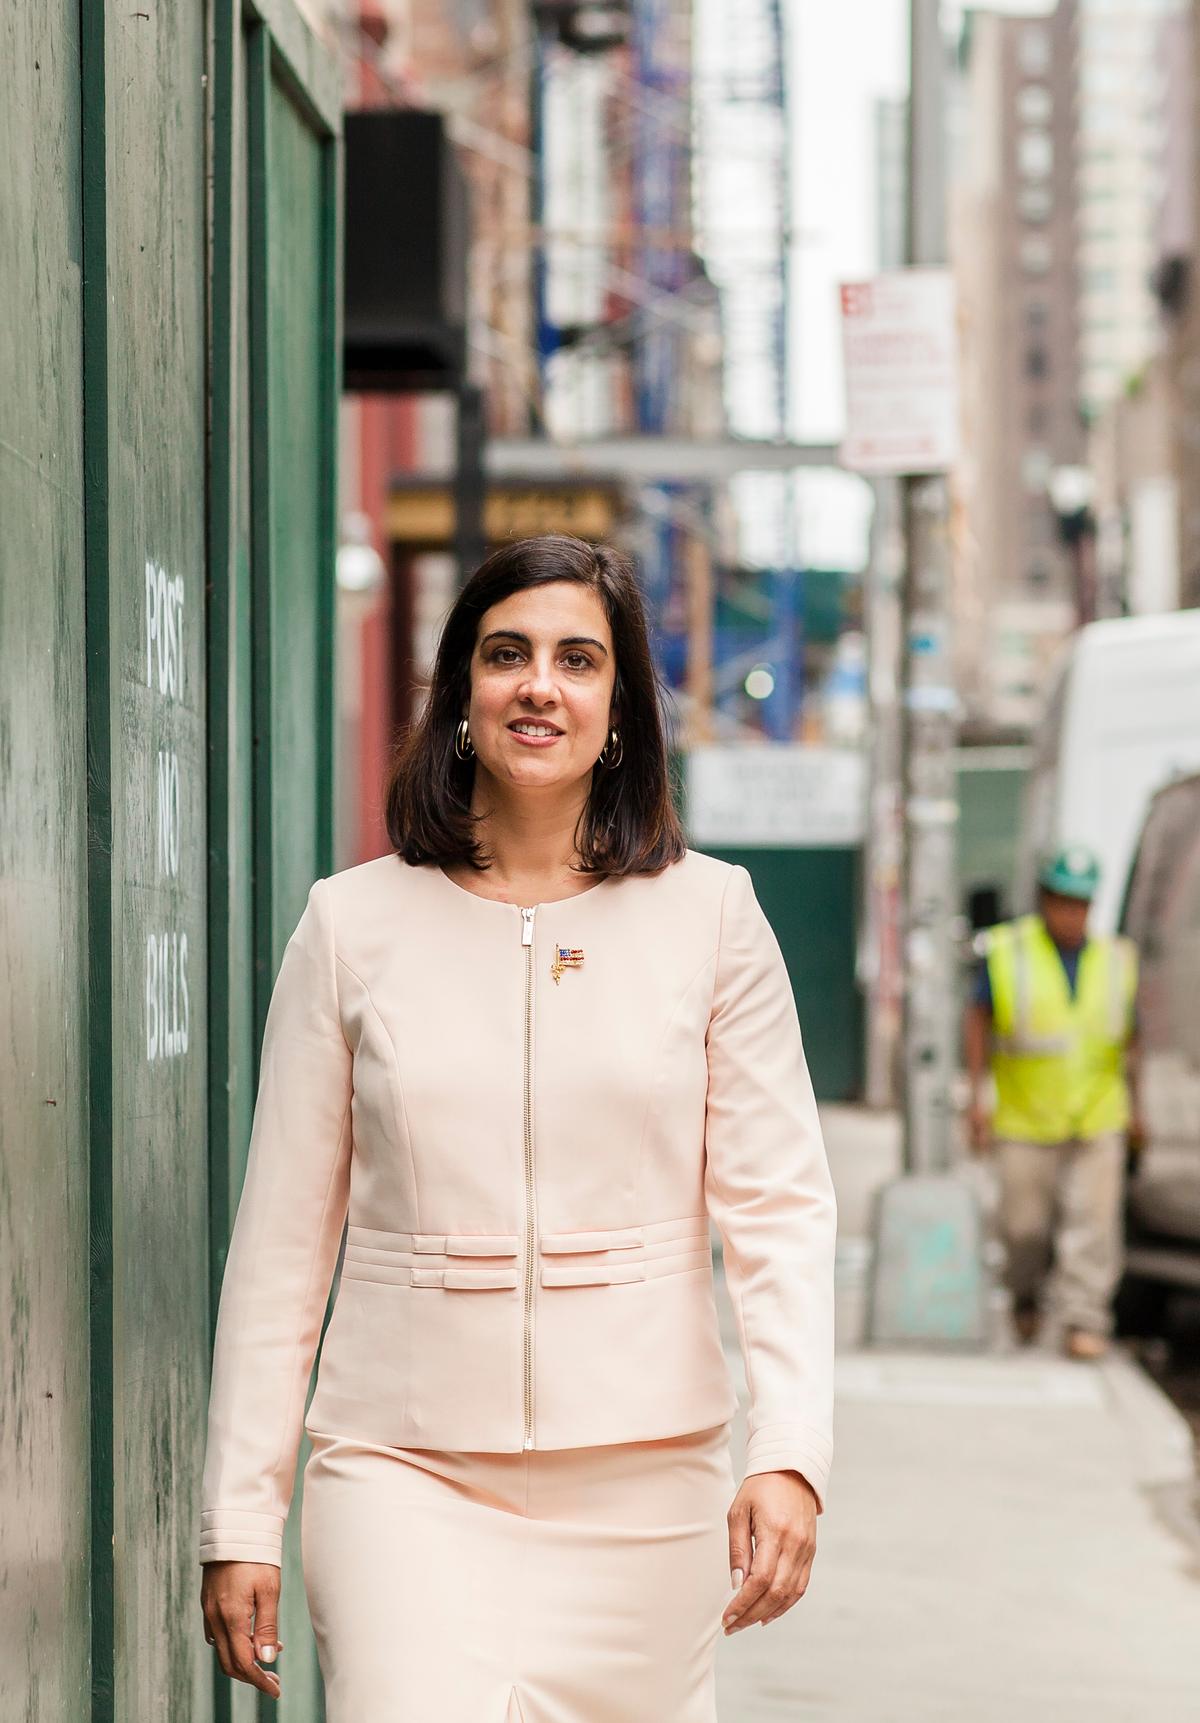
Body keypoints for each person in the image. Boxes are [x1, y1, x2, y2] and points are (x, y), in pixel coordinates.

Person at [198, 535, 837, 1720]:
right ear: (459, 696)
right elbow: (280, 1247)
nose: (540, 683)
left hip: (649, 1490)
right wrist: (241, 1511)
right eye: (507, 654)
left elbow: (780, 1208)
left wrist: (788, 1449)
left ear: (621, 709)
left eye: (578, 659)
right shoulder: (350, 927)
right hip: (402, 1473)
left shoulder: (715, 919)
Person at [964, 845, 1140, 1360]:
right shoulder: (1007, 951)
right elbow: (978, 1020)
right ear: (1044, 899)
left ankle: (1085, 1320)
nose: (1073, 914)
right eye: (1064, 901)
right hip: (1024, 1115)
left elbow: (1133, 1035)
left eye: (1083, 903)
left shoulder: (1116, 958)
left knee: (1094, 1224)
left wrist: (1139, 1108)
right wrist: (977, 1100)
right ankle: (1025, 1298)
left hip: (1098, 1112)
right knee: (1024, 1228)